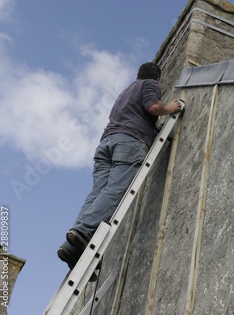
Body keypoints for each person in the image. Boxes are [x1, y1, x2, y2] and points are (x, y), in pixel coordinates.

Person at [58, 62, 181, 272]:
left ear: (137, 75)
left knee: (97, 193)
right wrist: (169, 108)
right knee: (116, 190)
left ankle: (72, 247)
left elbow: (137, 117)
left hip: (106, 144)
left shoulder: (125, 93)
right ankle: (83, 230)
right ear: (157, 79)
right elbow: (153, 106)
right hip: (129, 143)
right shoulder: (150, 84)